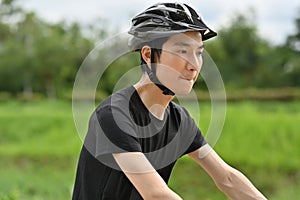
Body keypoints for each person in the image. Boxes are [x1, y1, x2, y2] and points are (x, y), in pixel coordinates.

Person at [72, 2, 267, 200]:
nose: (194, 65)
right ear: (148, 55)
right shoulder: (114, 114)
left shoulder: (179, 120)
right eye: (182, 51)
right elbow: (156, 194)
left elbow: (228, 178)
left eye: (198, 53)